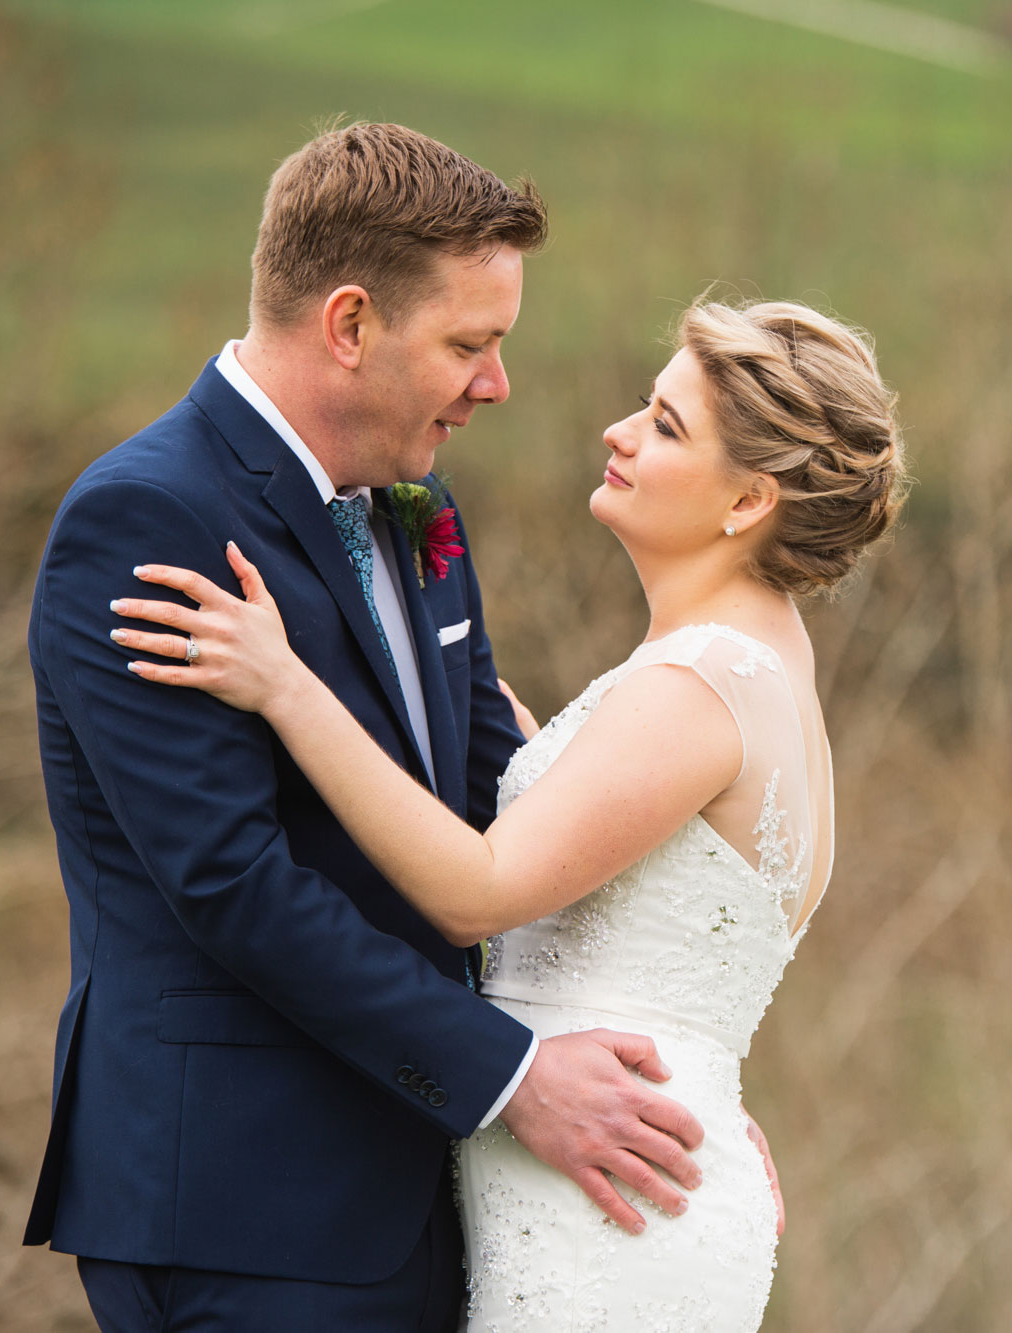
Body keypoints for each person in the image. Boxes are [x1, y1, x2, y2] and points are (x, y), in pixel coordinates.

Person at [25, 123, 730, 1332]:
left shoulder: (415, 503)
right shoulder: (148, 519)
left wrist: (680, 1076)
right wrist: (509, 1081)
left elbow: (496, 801)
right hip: (246, 1209)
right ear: (349, 326)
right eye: (470, 344)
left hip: (423, 1183)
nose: (496, 385)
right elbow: (232, 882)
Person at [112, 295, 907, 1329]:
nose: (618, 434)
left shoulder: (698, 686)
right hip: (627, 1183)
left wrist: (284, 685)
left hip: (607, 1223)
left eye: (664, 427)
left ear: (748, 501)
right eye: (642, 406)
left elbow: (475, 891)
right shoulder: (750, 671)